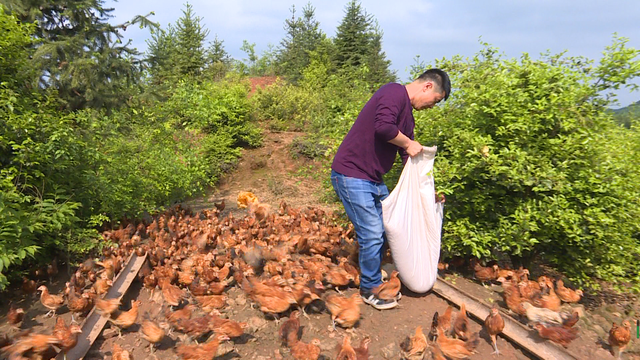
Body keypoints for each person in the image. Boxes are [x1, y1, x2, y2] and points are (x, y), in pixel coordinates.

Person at [330, 69, 451, 310]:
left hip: (373, 178)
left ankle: (373, 270)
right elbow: (383, 128)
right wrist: (408, 142)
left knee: (389, 226)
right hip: (351, 174)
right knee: (372, 232)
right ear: (427, 87)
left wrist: (425, 192)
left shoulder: (408, 117)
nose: (432, 106)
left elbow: (409, 157)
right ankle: (370, 289)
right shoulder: (393, 92)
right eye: (435, 100)